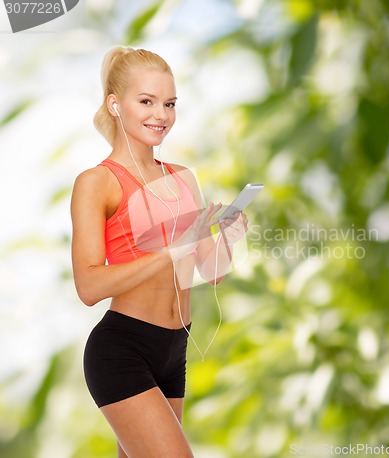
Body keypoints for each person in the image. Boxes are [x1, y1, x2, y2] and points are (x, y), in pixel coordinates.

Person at [70, 46, 248, 457]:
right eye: (146, 102)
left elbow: (212, 271)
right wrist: (171, 250)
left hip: (175, 350)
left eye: (169, 104)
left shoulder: (183, 178)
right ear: (115, 105)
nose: (161, 115)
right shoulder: (97, 182)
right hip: (123, 349)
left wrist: (224, 238)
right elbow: (88, 286)